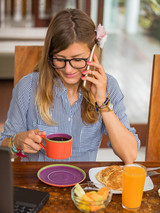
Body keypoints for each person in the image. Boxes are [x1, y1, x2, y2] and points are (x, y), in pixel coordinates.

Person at [0, 8, 140, 163]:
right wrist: (16, 142)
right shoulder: (27, 86)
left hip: (84, 185)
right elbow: (4, 145)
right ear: (49, 55)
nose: (68, 69)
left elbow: (130, 155)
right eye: (60, 59)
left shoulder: (109, 86)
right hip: (36, 184)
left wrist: (103, 102)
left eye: (78, 59)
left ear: (94, 53)